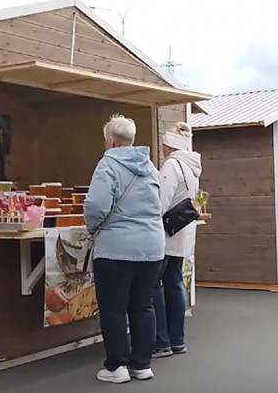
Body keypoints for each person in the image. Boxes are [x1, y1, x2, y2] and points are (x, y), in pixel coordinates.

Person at [84, 114, 165, 384]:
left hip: (115, 248)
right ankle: (141, 364)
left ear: (110, 140)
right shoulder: (150, 166)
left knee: (113, 309)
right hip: (152, 247)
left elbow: (96, 206)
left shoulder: (108, 163)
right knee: (143, 306)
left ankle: (116, 366)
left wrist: (93, 226)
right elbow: (160, 204)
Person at [152, 123, 202, 359]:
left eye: (163, 144)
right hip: (183, 233)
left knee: (153, 286)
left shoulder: (172, 165)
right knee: (174, 284)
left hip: (165, 234)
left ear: (169, 146)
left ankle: (161, 340)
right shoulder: (192, 167)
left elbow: (160, 202)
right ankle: (177, 339)